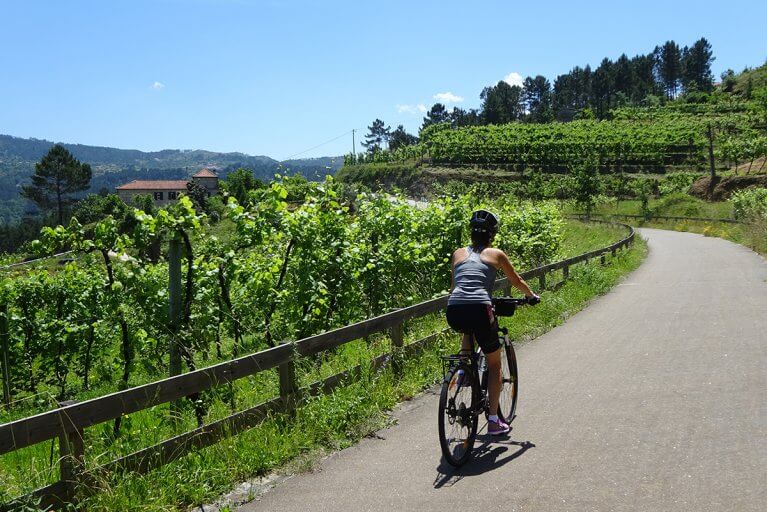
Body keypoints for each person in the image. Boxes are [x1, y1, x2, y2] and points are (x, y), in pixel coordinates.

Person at [446, 209, 539, 435]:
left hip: (454, 308)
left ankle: (462, 372)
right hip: (480, 307)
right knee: (495, 363)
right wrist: (531, 295)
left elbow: (454, 287)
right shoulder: (496, 254)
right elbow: (515, 280)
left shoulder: (458, 253)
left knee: (468, 326)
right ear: (492, 235)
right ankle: (495, 421)